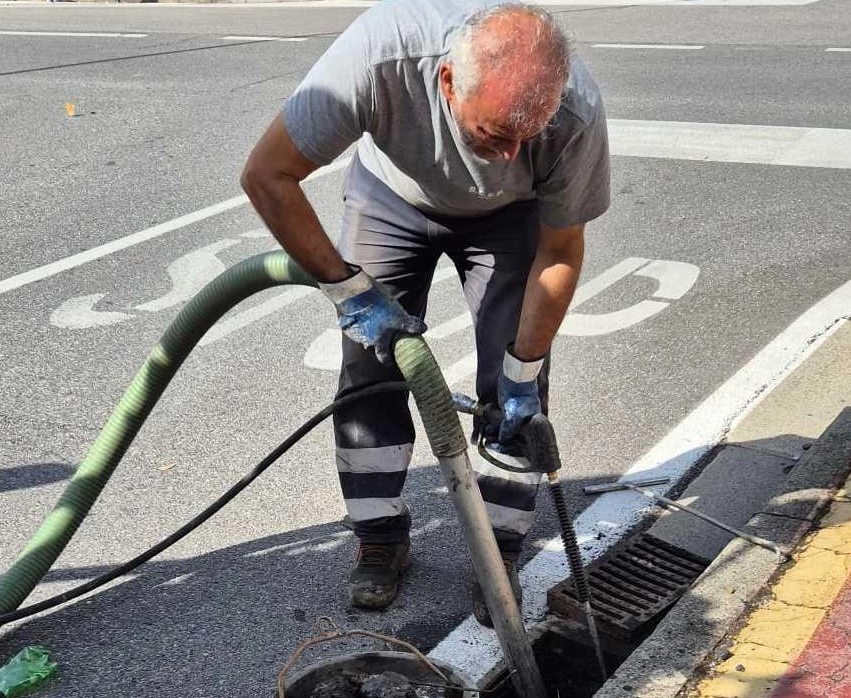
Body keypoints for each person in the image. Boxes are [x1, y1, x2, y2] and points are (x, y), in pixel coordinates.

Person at [240, 0, 610, 624]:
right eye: (493, 134)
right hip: (392, 194)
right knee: (370, 374)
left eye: (525, 139)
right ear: (445, 82)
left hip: (508, 220)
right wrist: (348, 290)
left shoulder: (573, 111)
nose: (506, 153)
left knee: (515, 388)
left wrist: (524, 369)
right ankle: (379, 536)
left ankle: (498, 558)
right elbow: (267, 174)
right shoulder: (379, 58)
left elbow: (560, 248)